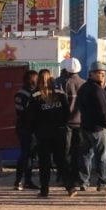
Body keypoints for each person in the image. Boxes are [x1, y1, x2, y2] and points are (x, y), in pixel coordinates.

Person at [30, 69, 72, 197]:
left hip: (43, 134)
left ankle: (44, 190)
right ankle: (70, 187)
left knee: (44, 163)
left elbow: (31, 117)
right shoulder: (60, 94)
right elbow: (67, 113)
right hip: (59, 132)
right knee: (61, 160)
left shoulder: (35, 96)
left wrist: (34, 131)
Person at [77, 62, 106, 192]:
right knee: (102, 156)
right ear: (91, 74)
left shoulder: (83, 88)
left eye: (103, 74)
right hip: (98, 128)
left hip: (85, 127)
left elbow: (79, 106)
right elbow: (104, 110)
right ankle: (103, 182)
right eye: (98, 73)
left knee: (85, 155)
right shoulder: (98, 91)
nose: (101, 76)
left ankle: (83, 182)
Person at [61, 57, 85, 190]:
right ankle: (77, 178)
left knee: (66, 152)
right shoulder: (84, 83)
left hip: (67, 123)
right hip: (80, 123)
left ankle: (65, 178)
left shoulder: (64, 83)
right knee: (78, 153)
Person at [13, 69, 39, 191]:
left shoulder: (19, 93)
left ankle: (19, 180)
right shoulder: (31, 94)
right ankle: (25, 180)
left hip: (22, 126)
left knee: (26, 154)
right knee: (28, 155)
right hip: (29, 128)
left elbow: (19, 111)